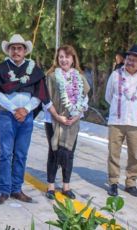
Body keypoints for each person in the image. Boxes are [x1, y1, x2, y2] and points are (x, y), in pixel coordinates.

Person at [0, 34, 50, 205]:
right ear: (8, 50)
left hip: (26, 117)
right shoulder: (0, 69)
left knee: (21, 154)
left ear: (24, 51)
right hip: (7, 116)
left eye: (19, 48)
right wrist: (14, 109)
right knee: (6, 154)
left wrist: (26, 109)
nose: (16, 51)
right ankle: (4, 190)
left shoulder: (34, 70)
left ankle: (17, 189)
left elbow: (39, 94)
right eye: (13, 48)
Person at [105, 44, 137, 198]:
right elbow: (109, 96)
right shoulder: (115, 75)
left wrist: (136, 109)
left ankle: (131, 183)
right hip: (116, 121)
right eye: (128, 59)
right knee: (114, 154)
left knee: (134, 155)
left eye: (134, 60)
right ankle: (113, 182)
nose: (130, 62)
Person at [44, 45, 90, 200]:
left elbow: (85, 100)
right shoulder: (51, 76)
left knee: (69, 154)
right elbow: (46, 100)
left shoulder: (79, 77)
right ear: (57, 59)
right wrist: (57, 117)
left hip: (73, 122)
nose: (63, 60)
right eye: (61, 57)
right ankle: (51, 186)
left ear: (73, 59)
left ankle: (66, 186)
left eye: (67, 57)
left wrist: (76, 117)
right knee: (54, 152)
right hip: (54, 121)